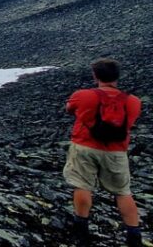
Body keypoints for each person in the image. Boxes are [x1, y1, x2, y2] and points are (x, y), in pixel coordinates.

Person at [64, 58, 142, 246]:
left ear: (95, 76)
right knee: (123, 191)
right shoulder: (133, 101)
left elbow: (69, 109)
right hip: (116, 151)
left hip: (85, 146)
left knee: (82, 185)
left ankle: (81, 231)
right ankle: (134, 236)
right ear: (117, 76)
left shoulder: (83, 95)